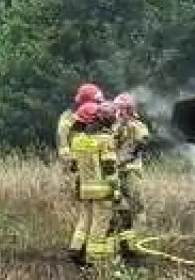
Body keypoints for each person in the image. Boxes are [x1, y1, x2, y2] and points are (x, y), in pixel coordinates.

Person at [66, 100, 120, 266]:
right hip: (102, 189)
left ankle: (76, 249)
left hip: (85, 188)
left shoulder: (79, 140)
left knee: (85, 219)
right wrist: (115, 189)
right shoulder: (105, 139)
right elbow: (109, 167)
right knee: (100, 222)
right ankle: (94, 259)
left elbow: (74, 166)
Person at [113, 92, 150, 247]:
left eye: (120, 109)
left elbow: (143, 141)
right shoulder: (114, 126)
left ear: (127, 109)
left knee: (136, 208)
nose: (118, 112)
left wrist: (128, 155)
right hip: (118, 174)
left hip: (131, 173)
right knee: (121, 209)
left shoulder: (136, 126)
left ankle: (138, 243)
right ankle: (125, 243)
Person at [57, 82, 103, 169]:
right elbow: (63, 144)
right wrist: (71, 162)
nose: (98, 105)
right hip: (76, 164)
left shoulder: (99, 116)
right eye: (96, 102)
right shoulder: (68, 118)